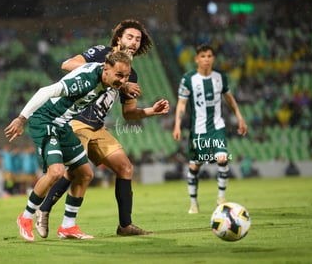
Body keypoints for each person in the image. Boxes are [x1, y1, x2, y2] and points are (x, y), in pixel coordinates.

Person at [35, 19, 169, 238]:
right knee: (76, 169)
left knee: (125, 168)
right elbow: (67, 64)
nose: (134, 42)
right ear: (118, 38)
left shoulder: (131, 74)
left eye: (138, 39)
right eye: (130, 37)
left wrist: (151, 111)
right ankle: (45, 209)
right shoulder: (101, 53)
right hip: (76, 119)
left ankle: (125, 226)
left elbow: (128, 114)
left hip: (97, 126)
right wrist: (105, 72)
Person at [4, 51, 132, 242]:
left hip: (63, 124)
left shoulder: (106, 79)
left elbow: (115, 81)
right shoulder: (85, 80)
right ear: (106, 70)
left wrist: (125, 84)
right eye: (119, 76)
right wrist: (22, 119)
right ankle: (26, 217)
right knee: (55, 172)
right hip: (45, 121)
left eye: (126, 76)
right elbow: (45, 91)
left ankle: (67, 226)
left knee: (85, 174)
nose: (122, 81)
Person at [172, 43, 247, 214]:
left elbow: (229, 99)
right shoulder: (188, 78)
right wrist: (177, 124)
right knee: (194, 167)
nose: (206, 60)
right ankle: (193, 204)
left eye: (209, 56)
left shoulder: (220, 77)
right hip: (198, 130)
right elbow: (182, 104)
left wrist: (240, 117)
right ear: (196, 59)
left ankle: (221, 198)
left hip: (217, 127)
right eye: (203, 56)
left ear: (213, 58)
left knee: (222, 158)